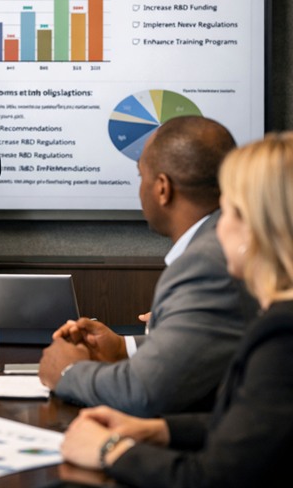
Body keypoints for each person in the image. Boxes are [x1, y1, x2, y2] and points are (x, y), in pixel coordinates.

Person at [61, 132, 293, 487]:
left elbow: (215, 477)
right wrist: (160, 430)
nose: (217, 228)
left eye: (227, 210)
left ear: (259, 229)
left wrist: (110, 448)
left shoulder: (282, 336)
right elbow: (258, 421)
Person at [39, 116, 258, 417]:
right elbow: (206, 347)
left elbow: (144, 391)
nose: (139, 188)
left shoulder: (206, 262)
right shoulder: (218, 242)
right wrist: (122, 348)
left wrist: (68, 372)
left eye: (141, 175)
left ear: (163, 189)